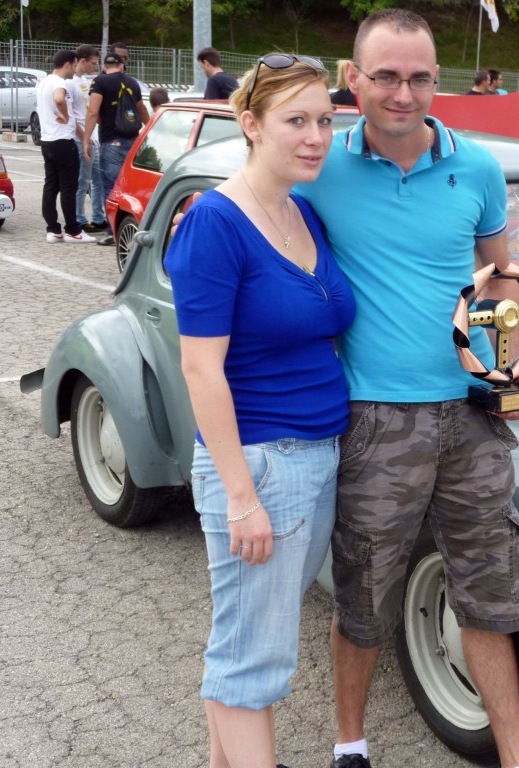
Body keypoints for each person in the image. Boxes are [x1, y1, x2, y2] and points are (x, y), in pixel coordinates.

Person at [293, 9, 519, 768]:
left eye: (420, 77)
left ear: (440, 80)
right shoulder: (318, 165)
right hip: (373, 420)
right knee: (366, 599)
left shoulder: (482, 168)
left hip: (471, 417)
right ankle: (350, 745)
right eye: (387, 76)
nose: (404, 93)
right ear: (354, 79)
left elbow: (503, 280)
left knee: (490, 595)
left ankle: (517, 757)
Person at [164, 54, 355, 768]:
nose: (315, 137)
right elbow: (199, 366)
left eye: (325, 122)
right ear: (251, 124)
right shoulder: (214, 220)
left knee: (251, 647)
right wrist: (242, 499)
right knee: (253, 663)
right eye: (295, 121)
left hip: (317, 458)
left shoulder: (301, 210)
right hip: (260, 467)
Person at [83, 51, 150, 246]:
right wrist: (149, 130)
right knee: (131, 186)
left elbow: (93, 111)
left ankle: (113, 232)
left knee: (111, 188)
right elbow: (142, 109)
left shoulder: (100, 82)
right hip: (132, 140)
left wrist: (86, 139)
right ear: (121, 66)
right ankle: (132, 228)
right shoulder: (132, 82)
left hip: (111, 141)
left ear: (104, 67)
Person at [37, 50, 96, 244]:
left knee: (51, 186)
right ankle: (73, 230)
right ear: (68, 64)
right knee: (69, 187)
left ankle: (53, 230)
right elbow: (60, 99)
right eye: (74, 64)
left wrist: (84, 139)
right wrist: (64, 115)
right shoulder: (59, 83)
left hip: (47, 141)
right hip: (63, 141)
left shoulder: (43, 82)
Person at [70, 44, 106, 234]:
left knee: (99, 178)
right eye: (93, 63)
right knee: (82, 181)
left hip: (92, 138)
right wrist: (84, 137)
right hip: (81, 140)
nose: (95, 66)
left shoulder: (84, 80)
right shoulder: (70, 83)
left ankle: (99, 217)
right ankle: (79, 218)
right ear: (82, 61)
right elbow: (72, 115)